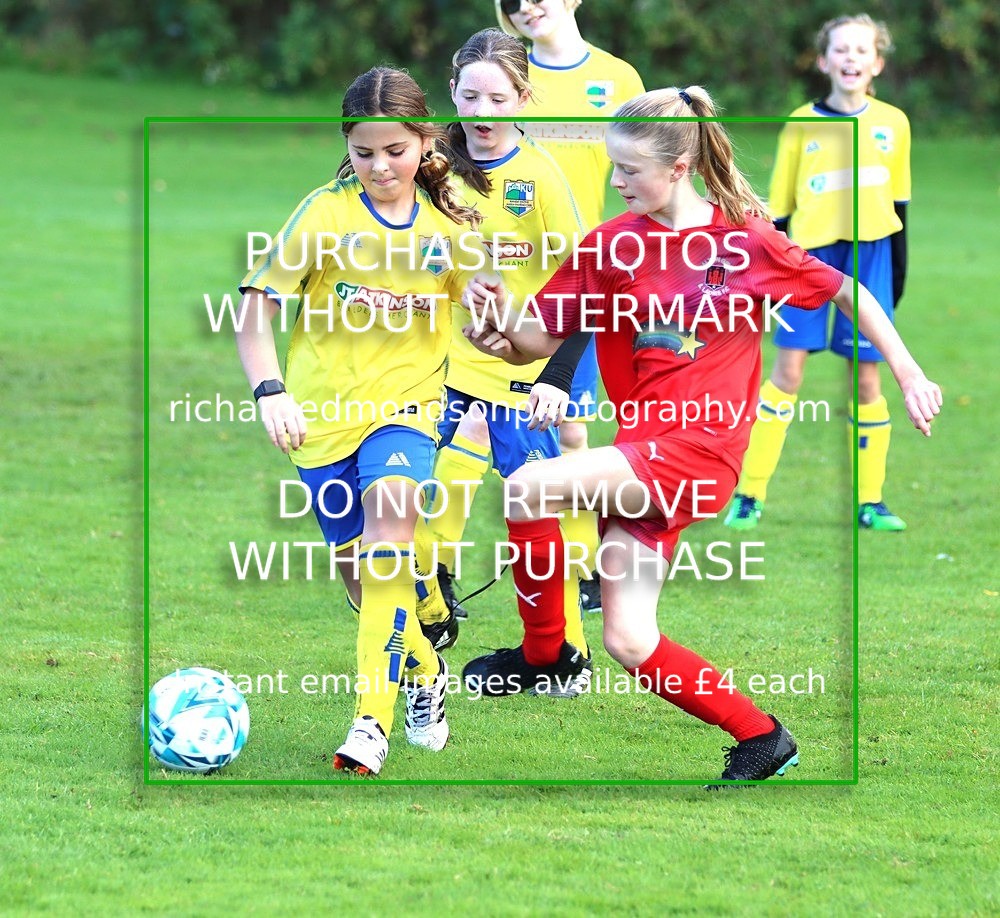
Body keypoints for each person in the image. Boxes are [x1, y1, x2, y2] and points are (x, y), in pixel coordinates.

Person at [460, 87, 941, 783]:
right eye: (614, 167)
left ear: (679, 167)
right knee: (630, 640)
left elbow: (849, 291)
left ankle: (545, 658)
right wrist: (498, 321)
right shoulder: (611, 244)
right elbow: (533, 342)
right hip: (640, 452)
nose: (617, 181)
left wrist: (907, 369)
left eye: (630, 170)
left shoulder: (745, 240)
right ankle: (762, 737)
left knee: (528, 488)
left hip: (699, 452)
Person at [234, 67, 482, 776]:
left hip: (407, 411)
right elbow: (254, 314)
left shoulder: (449, 228)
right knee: (361, 578)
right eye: (364, 152)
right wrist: (271, 391)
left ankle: (369, 724)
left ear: (424, 143)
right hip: (320, 422)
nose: (380, 166)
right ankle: (426, 672)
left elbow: (485, 316)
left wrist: (526, 358)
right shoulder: (324, 214)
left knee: (385, 554)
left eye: (395, 151)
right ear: (347, 145)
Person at [413, 28, 594, 694]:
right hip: (441, 364)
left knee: (536, 513)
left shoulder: (539, 176)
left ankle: (567, 654)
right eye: (469, 96)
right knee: (402, 486)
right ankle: (430, 606)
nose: (481, 111)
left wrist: (557, 377)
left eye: (497, 98)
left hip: (522, 372)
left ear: (523, 97)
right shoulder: (431, 164)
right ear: (452, 91)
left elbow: (589, 282)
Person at [724, 14, 912, 532]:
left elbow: (901, 207)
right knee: (788, 373)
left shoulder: (894, 123)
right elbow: (779, 212)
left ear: (877, 63)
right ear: (824, 61)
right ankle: (749, 495)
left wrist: (895, 279)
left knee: (867, 379)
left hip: (871, 257)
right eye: (841, 50)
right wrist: (769, 278)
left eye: (862, 50)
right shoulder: (801, 121)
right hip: (806, 260)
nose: (851, 58)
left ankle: (871, 502)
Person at [495, 0, 646, 609]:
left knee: (571, 427)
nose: (527, 6)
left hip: (583, 274)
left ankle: (585, 573)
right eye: (514, 1)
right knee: (474, 422)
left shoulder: (619, 79)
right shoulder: (504, 75)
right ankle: (437, 572)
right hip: (502, 270)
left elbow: (647, 163)